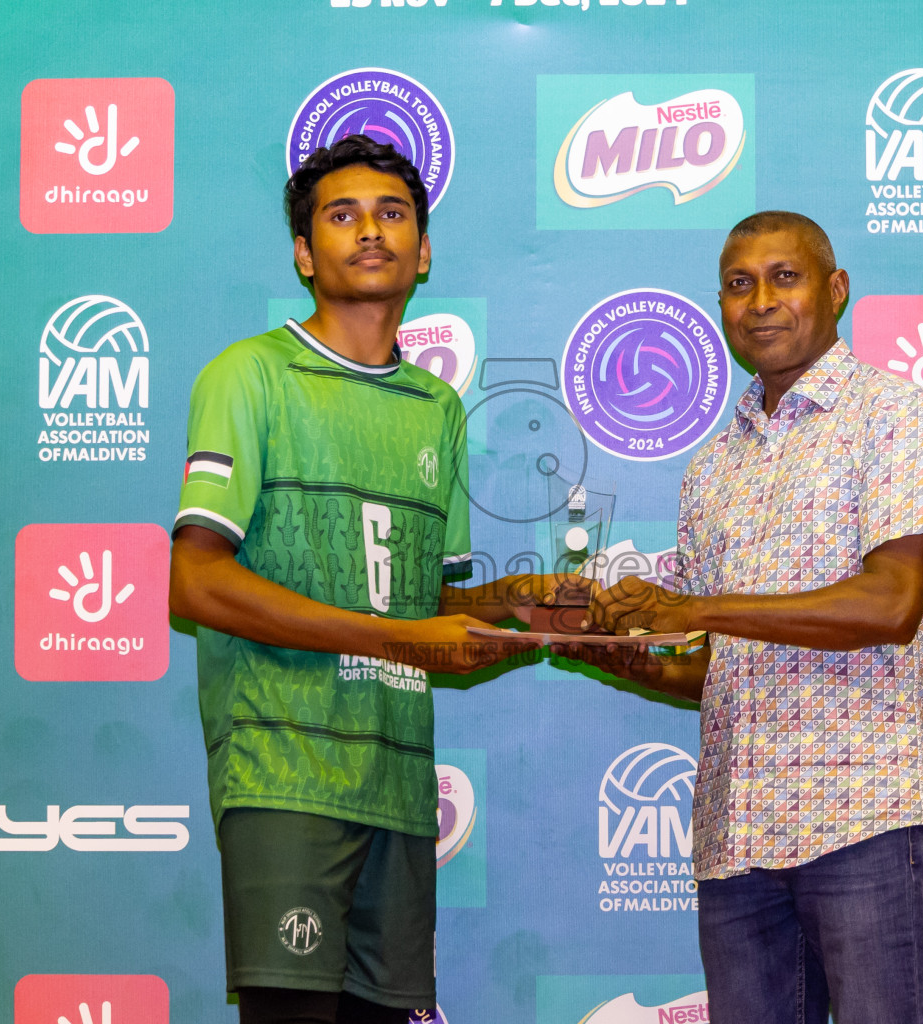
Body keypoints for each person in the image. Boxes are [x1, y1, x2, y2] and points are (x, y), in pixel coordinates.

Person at [168, 135, 562, 1024]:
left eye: (392, 214)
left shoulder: (438, 406)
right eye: (340, 216)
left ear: (424, 252)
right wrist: (400, 637)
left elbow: (420, 607)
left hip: (396, 786)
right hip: (284, 769)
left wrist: (518, 606)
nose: (370, 232)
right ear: (305, 254)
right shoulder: (251, 376)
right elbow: (193, 583)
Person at [558, 211, 923, 1024]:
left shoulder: (894, 416)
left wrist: (693, 606)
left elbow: (889, 604)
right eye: (739, 284)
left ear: (836, 289)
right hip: (736, 842)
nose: (761, 301)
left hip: (865, 823)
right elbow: (720, 665)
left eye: (786, 277)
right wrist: (616, 652)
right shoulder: (711, 467)